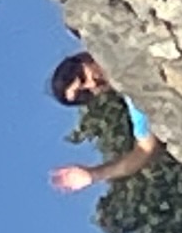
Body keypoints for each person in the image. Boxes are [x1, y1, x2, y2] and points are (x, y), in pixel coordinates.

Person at [48, 50, 164, 195]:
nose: (92, 84)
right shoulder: (134, 99)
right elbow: (145, 149)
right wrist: (94, 174)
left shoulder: (121, 45)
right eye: (84, 94)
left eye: (83, 77)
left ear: (84, 58)